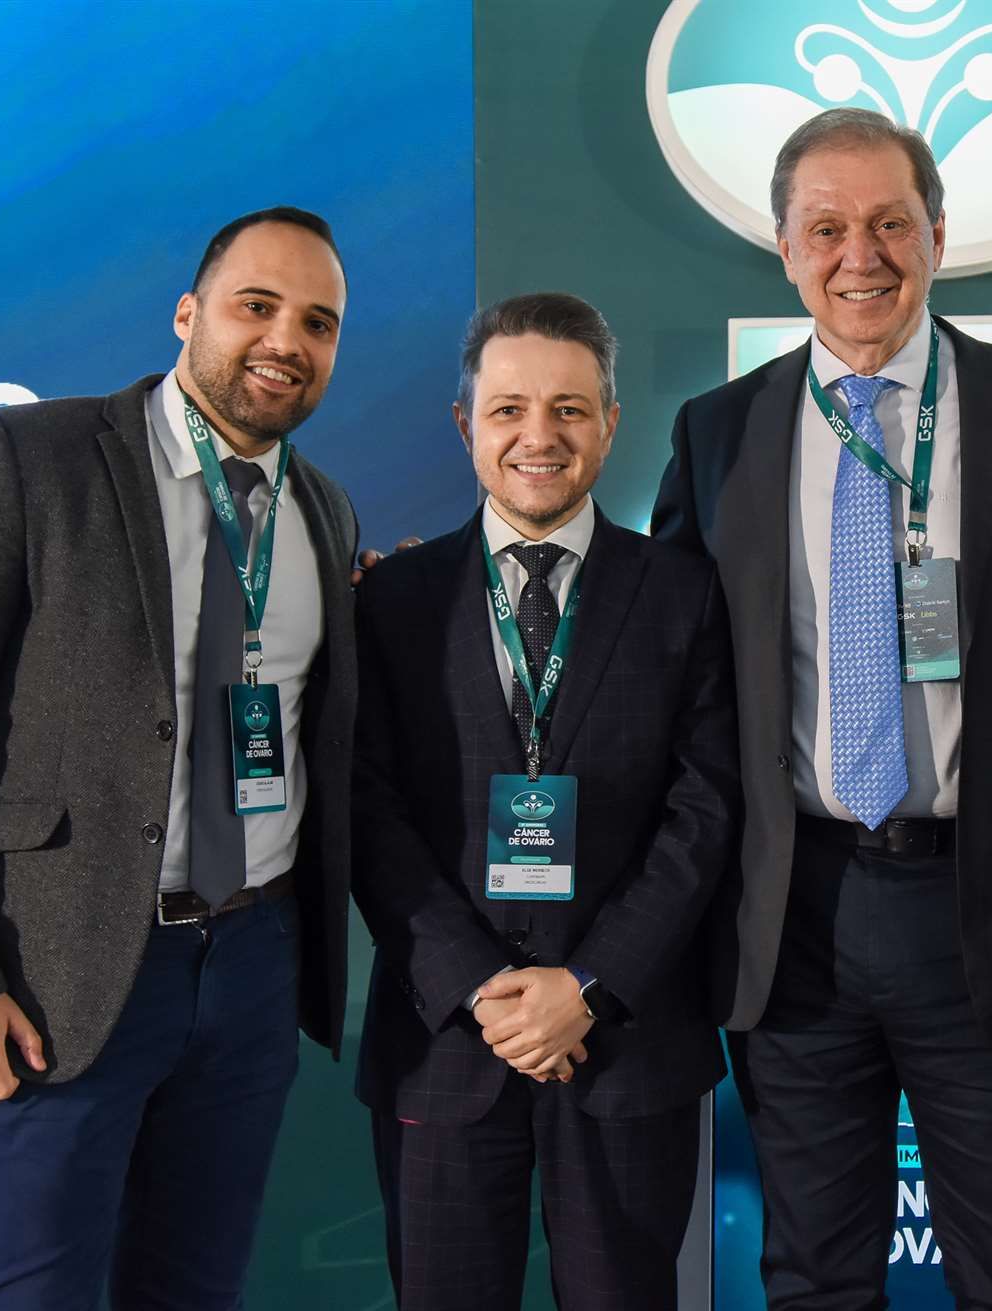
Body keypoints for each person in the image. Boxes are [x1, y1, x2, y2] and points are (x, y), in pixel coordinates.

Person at [651, 108, 992, 1310]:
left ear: (938, 235)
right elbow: (664, 666)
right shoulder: (717, 434)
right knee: (812, 1275)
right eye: (825, 228)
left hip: (985, 905)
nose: (859, 255)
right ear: (783, 249)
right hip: (792, 913)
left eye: (890, 224)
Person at [0, 207, 360, 1309]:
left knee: (192, 1293)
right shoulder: (28, 458)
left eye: (318, 323)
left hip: (250, 967)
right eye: (257, 305)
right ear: (187, 315)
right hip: (54, 977)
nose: (286, 340)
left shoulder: (323, 510)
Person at [353, 292, 738, 1310]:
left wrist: (590, 983)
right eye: (509, 409)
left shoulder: (685, 594)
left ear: (610, 422)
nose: (540, 435)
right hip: (445, 1038)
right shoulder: (392, 599)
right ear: (465, 425)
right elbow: (369, 813)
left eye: (569, 409)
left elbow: (704, 812)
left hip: (628, 1041)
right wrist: (479, 985)